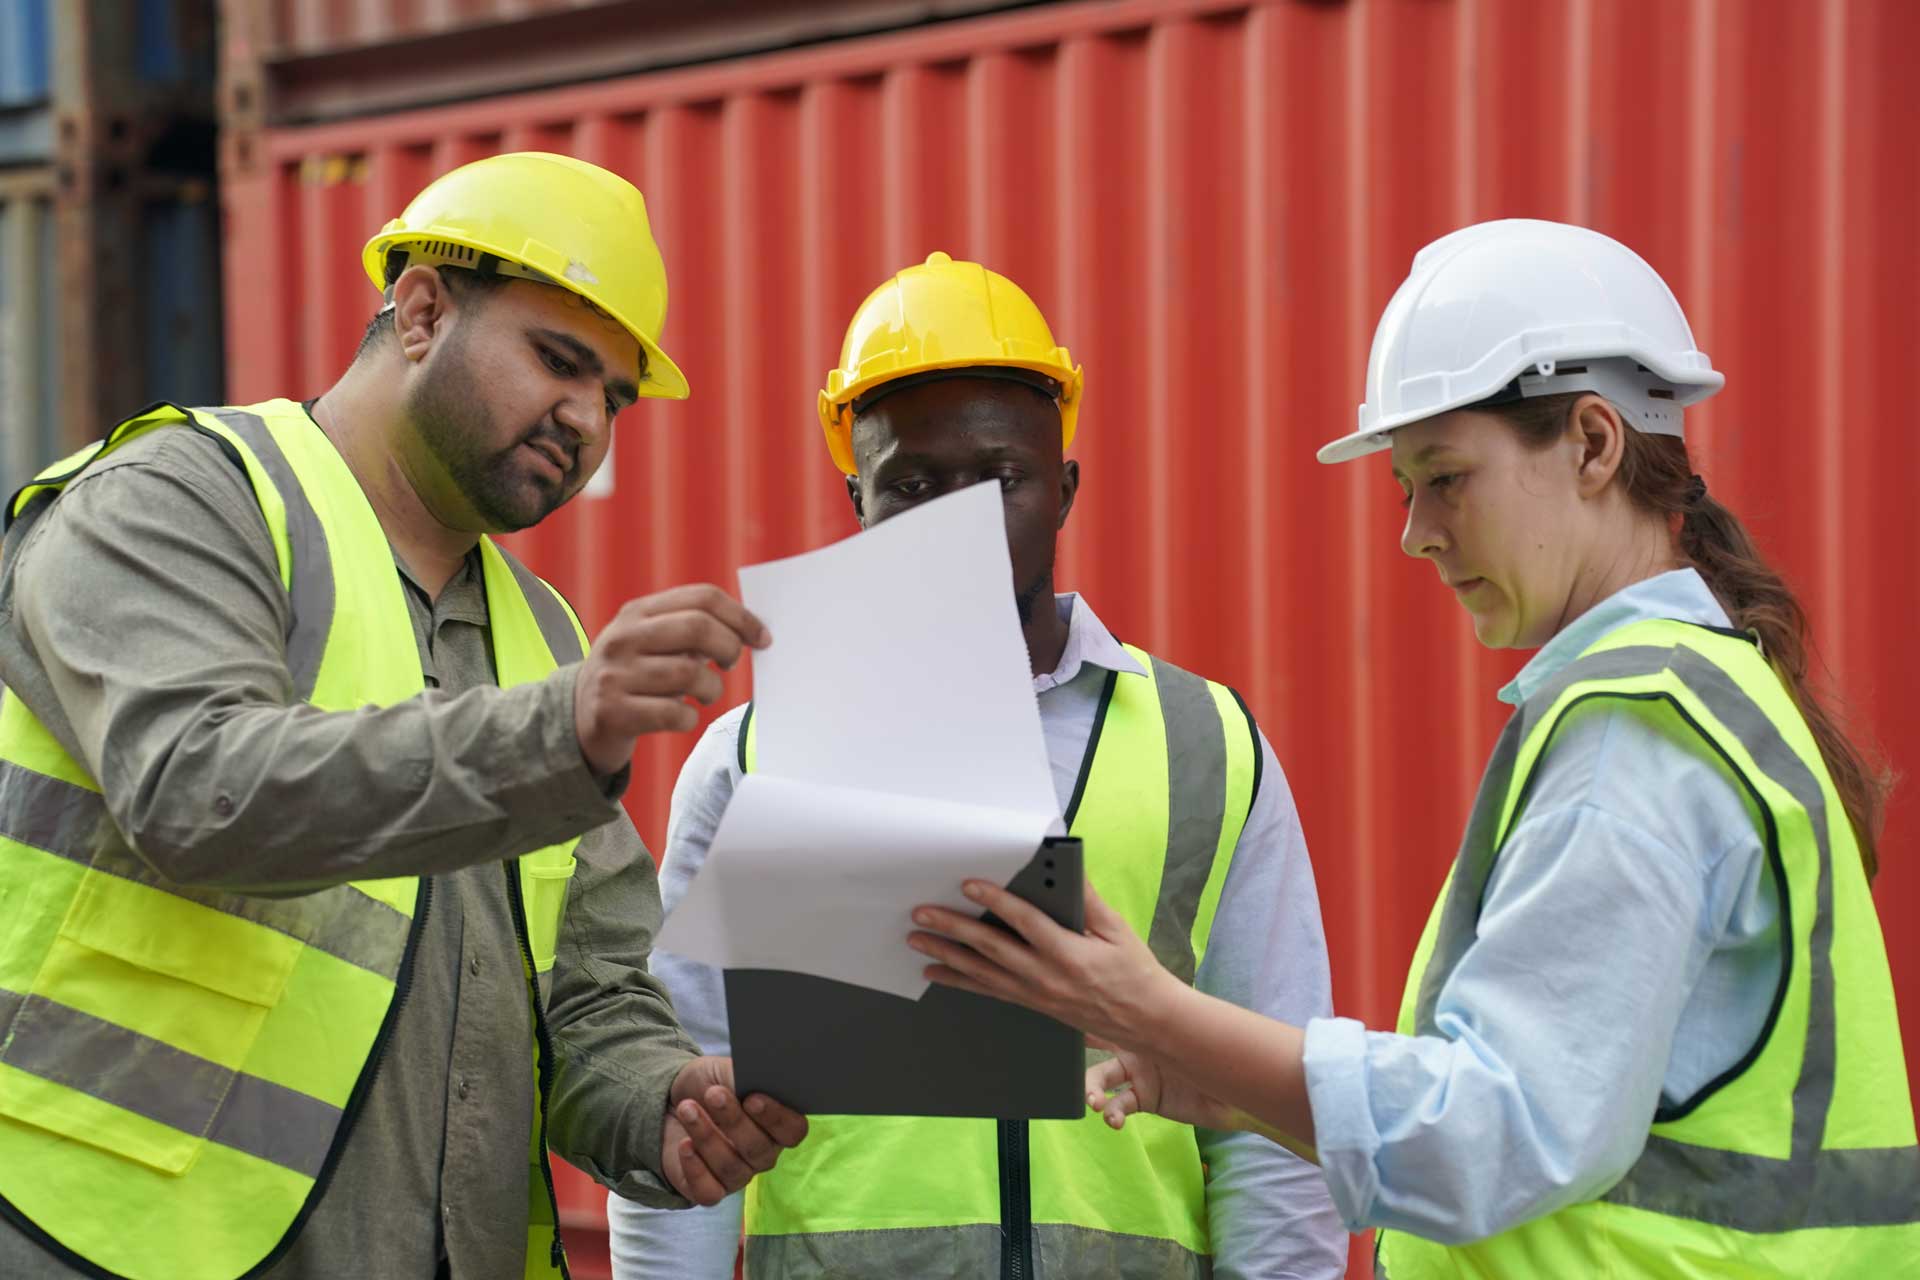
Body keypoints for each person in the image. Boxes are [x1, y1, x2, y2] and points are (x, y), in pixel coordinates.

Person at [907, 220, 1919, 1276]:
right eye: (1407, 488)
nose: (1417, 532)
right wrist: (1217, 1079)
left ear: (1592, 443)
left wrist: (1146, 1005)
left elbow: (1493, 1138)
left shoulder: (1637, 733)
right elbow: (1566, 1126)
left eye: (1446, 477)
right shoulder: (1699, 695)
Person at [0, 151, 808, 1280]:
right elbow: (196, 788)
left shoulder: (541, 638)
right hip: (110, 1239)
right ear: (422, 309)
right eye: (558, 361)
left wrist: (661, 1104)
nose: (584, 420)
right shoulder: (176, 498)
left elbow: (595, 988)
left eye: (612, 398)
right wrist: (557, 730)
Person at [609, 252, 1346, 1279]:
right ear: (853, 498)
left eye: (1001, 477)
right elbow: (683, 1099)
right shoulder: (752, 758)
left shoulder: (1207, 744)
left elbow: (1273, 1111)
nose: (956, 518)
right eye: (913, 482)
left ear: (1065, 488)